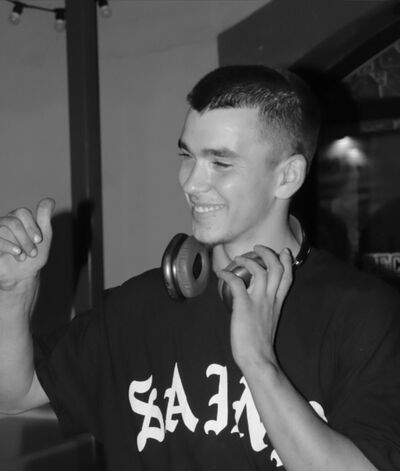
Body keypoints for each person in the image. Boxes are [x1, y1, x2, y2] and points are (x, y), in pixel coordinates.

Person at [1, 65, 400, 471]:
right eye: (187, 155)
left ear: (288, 176)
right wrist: (13, 293)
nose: (190, 182)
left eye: (220, 163)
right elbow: (14, 394)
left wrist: (258, 363)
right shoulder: (139, 307)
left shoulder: (361, 314)